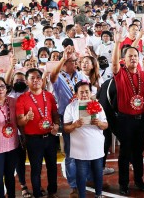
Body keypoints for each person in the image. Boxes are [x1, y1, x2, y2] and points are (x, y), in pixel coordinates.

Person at [112, 29, 144, 195]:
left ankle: (138, 180)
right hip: (125, 120)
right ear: (124, 59)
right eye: (129, 56)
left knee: (138, 152)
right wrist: (117, 43)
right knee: (125, 153)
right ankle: (123, 184)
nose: (133, 58)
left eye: (135, 56)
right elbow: (114, 63)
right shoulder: (120, 73)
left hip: (142, 118)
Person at [16, 69, 60, 198]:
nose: (35, 80)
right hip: (33, 139)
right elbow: (19, 121)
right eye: (32, 78)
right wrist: (26, 118)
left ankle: (52, 192)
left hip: (50, 137)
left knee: (52, 167)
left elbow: (55, 114)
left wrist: (57, 125)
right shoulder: (22, 99)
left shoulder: (49, 96)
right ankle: (37, 194)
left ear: (42, 80)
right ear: (27, 81)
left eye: (38, 77)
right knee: (36, 169)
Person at [64, 81, 108, 198]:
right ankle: (82, 196)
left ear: (91, 92)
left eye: (87, 92)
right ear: (76, 94)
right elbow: (66, 128)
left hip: (96, 145)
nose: (84, 94)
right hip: (80, 147)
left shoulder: (98, 105)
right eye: (81, 92)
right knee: (81, 174)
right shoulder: (71, 107)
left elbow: (106, 125)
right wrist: (74, 125)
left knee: (98, 172)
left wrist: (99, 123)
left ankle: (98, 194)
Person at [50, 44, 83, 198]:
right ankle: (74, 185)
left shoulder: (81, 76)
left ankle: (84, 179)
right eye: (72, 62)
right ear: (64, 64)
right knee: (70, 152)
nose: (75, 64)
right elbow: (52, 76)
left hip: (82, 115)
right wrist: (63, 57)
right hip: (67, 117)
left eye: (76, 61)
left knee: (84, 149)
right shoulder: (59, 77)